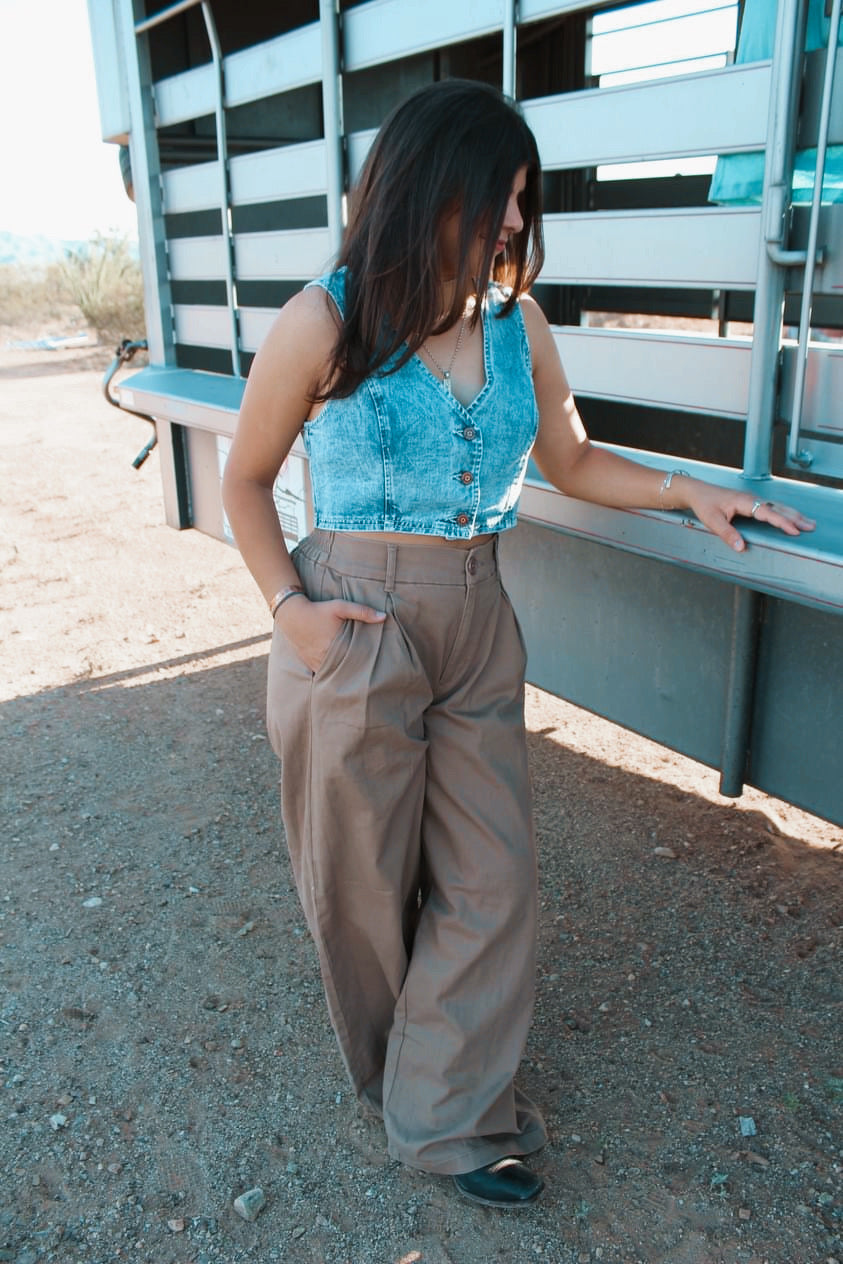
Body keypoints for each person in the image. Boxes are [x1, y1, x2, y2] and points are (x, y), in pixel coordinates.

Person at [221, 79, 815, 1209]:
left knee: (494, 878)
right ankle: (402, 1069)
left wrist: (691, 493)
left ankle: (447, 1117)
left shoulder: (516, 321)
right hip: (349, 619)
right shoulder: (326, 317)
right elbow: (246, 480)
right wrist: (289, 611)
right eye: (500, 192)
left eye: (521, 200)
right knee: (362, 881)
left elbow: (573, 458)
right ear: (427, 183)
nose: (511, 219)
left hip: (478, 621)